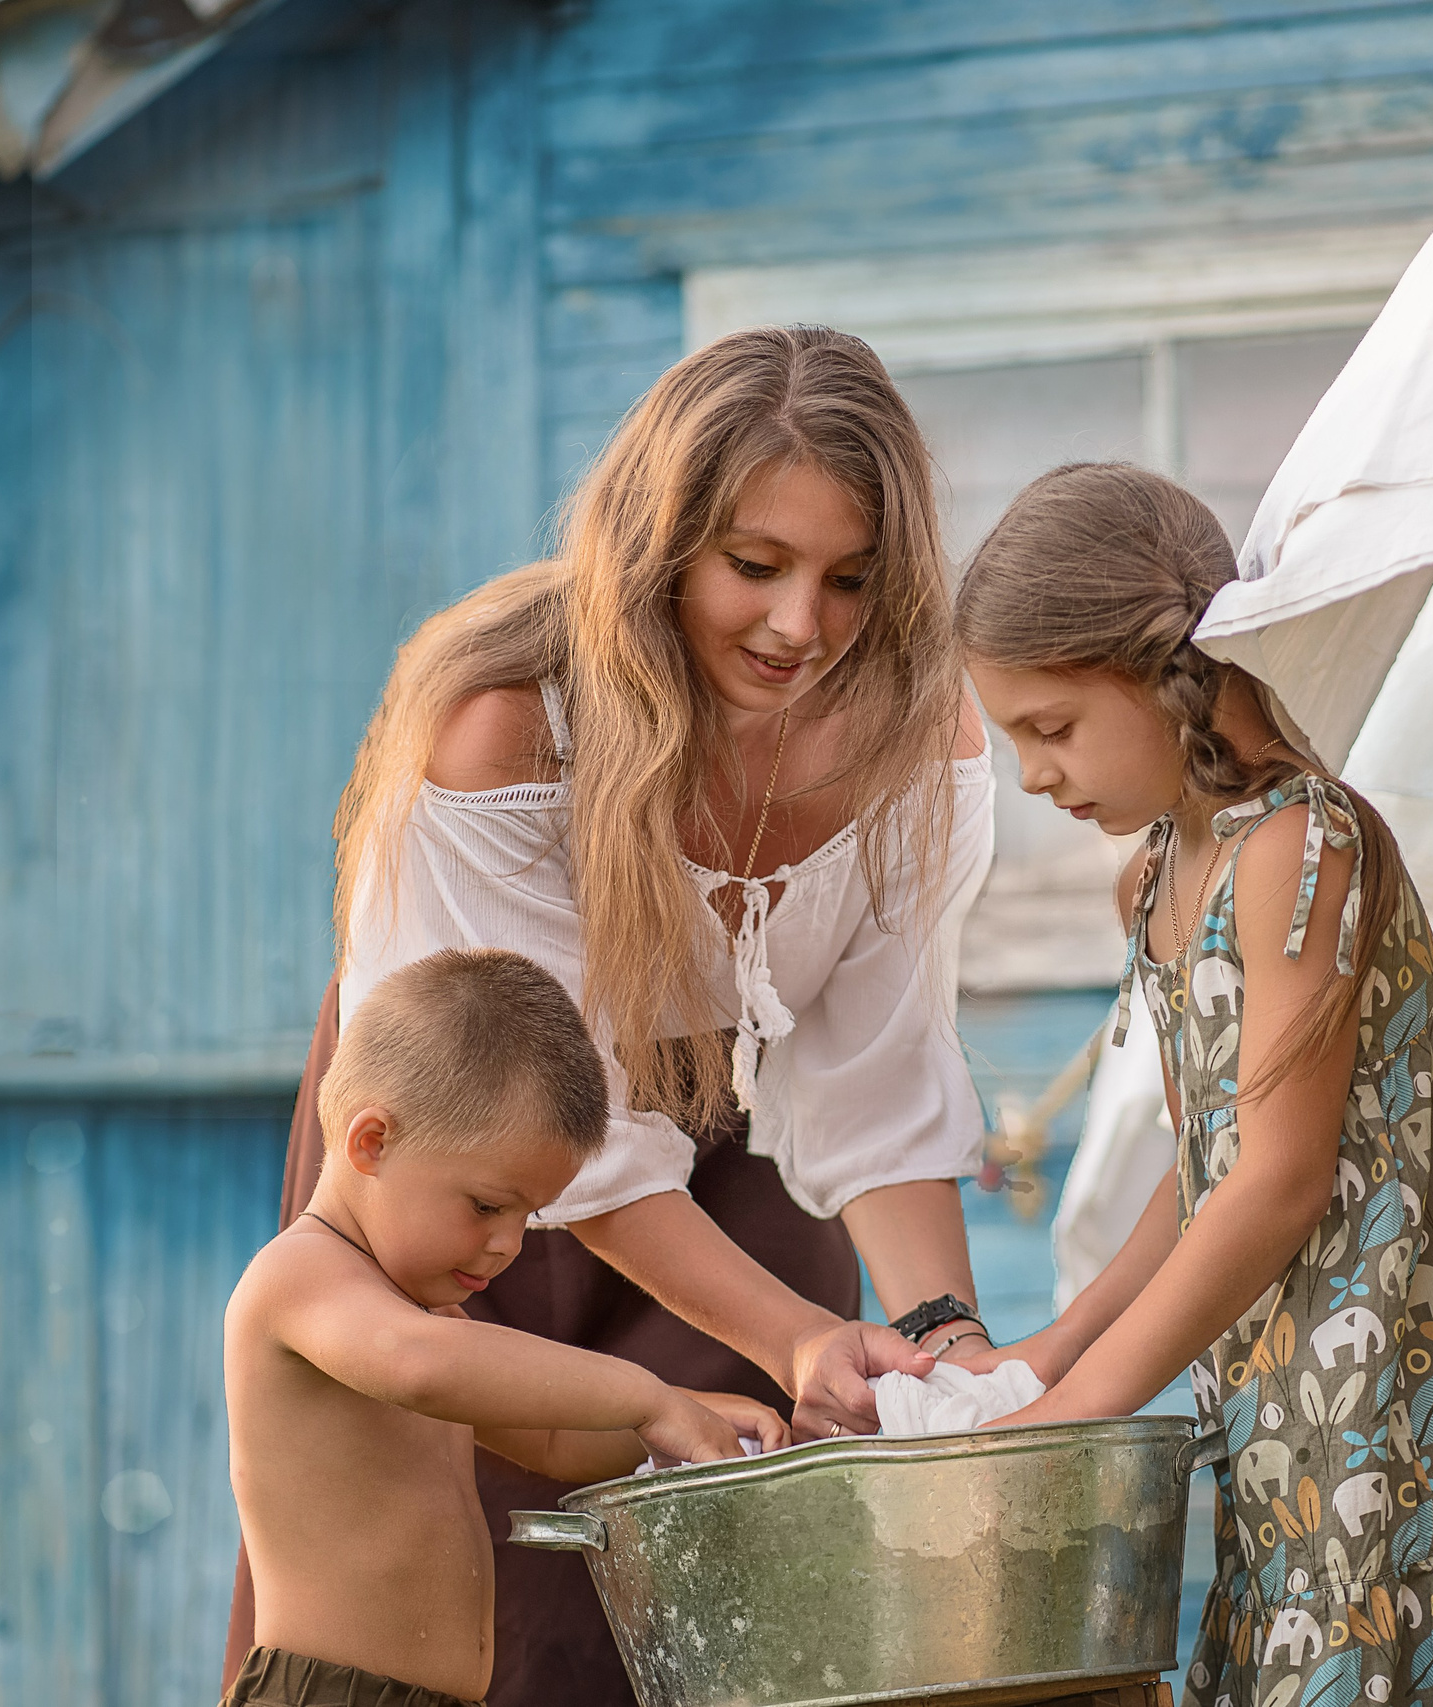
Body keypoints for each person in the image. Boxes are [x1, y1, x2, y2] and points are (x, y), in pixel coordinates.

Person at [227, 324, 999, 1704]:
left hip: (733, 1127)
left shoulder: (911, 736)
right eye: (753, 566)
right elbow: (573, 1142)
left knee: (742, 1526)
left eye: (850, 580)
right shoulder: (508, 727)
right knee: (488, 1576)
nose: (798, 626)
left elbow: (877, 1074)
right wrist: (781, 1335)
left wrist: (939, 1333)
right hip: (480, 1126)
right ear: (659, 545)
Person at [953, 464, 1433, 1706]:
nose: (1034, 775)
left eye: (1050, 728)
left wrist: (1091, 1405)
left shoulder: (1300, 845)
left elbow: (1276, 1186)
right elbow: (1209, 1165)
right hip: (1305, 1426)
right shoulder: (1158, 874)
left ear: (1167, 672)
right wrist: (1061, 1349)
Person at [223, 948, 786, 1707]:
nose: (508, 1243)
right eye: (488, 1204)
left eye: (529, 1215)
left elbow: (552, 1438)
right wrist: (645, 1394)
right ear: (371, 1142)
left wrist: (689, 1418)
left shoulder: (431, 1318)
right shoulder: (301, 1278)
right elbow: (420, 1365)